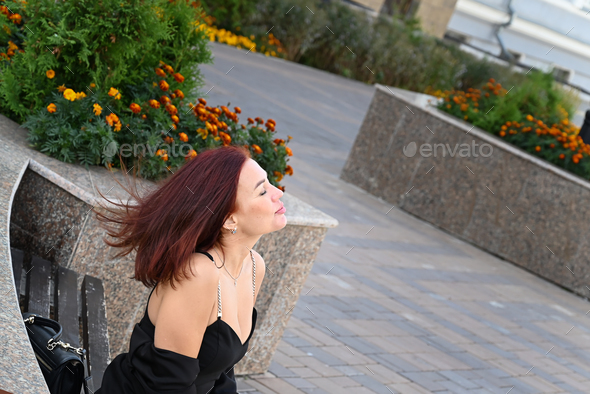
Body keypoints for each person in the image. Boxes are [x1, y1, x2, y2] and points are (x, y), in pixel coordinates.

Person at [93, 145, 287, 393]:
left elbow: (222, 371)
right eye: (262, 191)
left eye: (270, 184)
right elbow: (169, 386)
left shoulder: (253, 266)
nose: (278, 192)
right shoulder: (198, 274)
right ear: (229, 219)